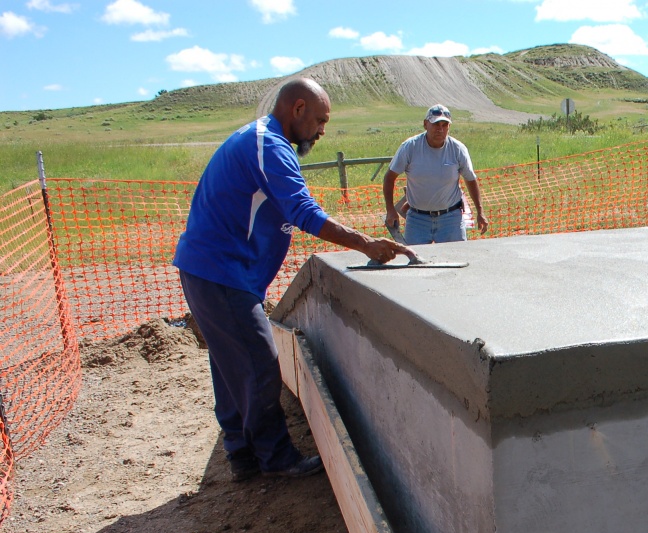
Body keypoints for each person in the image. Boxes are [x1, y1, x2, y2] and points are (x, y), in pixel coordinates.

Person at [173, 78, 415, 482]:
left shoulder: (259, 139)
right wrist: (365, 244)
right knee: (261, 364)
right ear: (297, 109)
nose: (322, 131)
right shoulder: (269, 145)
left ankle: (241, 455)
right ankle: (275, 457)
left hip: (211, 270)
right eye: (320, 120)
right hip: (221, 273)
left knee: (229, 363)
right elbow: (302, 211)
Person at [382, 104, 489, 245]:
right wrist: (390, 210)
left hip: (451, 219)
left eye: (445, 125)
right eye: (436, 124)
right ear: (425, 124)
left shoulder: (458, 149)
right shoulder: (410, 147)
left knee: (456, 259)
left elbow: (470, 179)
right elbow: (389, 178)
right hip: (417, 220)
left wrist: (480, 212)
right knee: (416, 263)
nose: (440, 129)